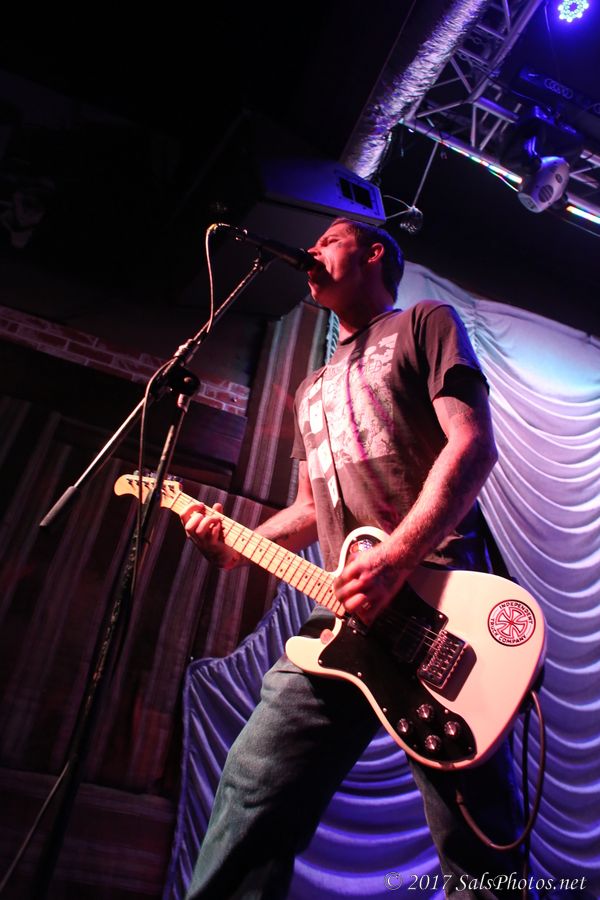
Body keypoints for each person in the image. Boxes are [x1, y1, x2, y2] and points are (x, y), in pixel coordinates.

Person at [181, 218, 527, 899]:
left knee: (473, 839)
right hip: (347, 616)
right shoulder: (311, 388)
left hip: (443, 605)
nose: (311, 249)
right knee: (253, 788)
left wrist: (396, 557)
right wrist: (236, 545)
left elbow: (473, 445)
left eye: (329, 239)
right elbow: (313, 507)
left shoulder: (425, 323)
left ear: (373, 254)